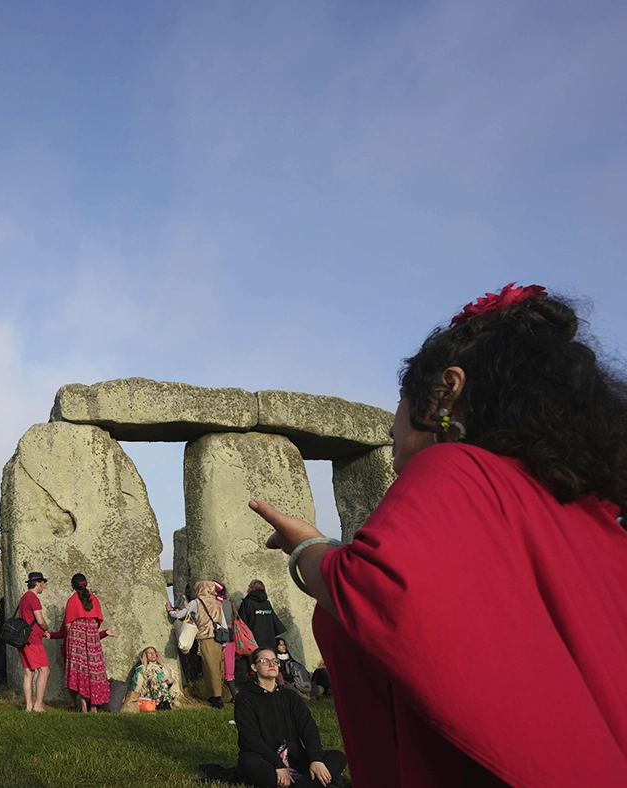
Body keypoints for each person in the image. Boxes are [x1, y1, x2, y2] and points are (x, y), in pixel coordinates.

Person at [253, 284, 627, 785]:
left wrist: (309, 548)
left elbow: (378, 587)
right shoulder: (589, 514)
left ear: (446, 391)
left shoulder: (455, 466)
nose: (390, 427)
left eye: (402, 401)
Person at [235, 648, 347, 788]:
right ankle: (313, 784)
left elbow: (308, 727)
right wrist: (278, 764)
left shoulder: (290, 696)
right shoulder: (245, 698)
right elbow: (250, 738)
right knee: (247, 761)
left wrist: (315, 759)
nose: (272, 664)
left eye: (275, 661)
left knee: (338, 757)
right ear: (254, 667)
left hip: (294, 758)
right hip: (265, 760)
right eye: (265, 661)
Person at [52, 573, 112, 713]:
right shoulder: (94, 599)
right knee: (94, 670)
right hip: (92, 636)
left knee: (80, 670)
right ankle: (94, 706)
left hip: (76, 636)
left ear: (72, 586)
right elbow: (98, 622)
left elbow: (67, 625)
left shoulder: (72, 600)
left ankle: (83, 705)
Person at [170, 580, 228, 708]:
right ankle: (212, 695)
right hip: (218, 638)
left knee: (210, 667)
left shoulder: (196, 602)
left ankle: (217, 698)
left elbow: (180, 614)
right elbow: (223, 623)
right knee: (215, 667)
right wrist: (224, 642)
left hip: (206, 637)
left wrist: (170, 611)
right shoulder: (218, 603)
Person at [17, 571, 52, 712]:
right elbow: (39, 620)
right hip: (33, 639)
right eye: (42, 584)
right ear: (37, 584)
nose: (43, 587)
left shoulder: (24, 598)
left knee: (29, 672)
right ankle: (38, 705)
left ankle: (28, 706)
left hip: (23, 639)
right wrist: (46, 628)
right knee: (44, 670)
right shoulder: (33, 598)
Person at [238, 580, 286, 655]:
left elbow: (241, 623)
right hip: (269, 642)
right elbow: (275, 623)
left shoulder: (247, 603)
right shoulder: (267, 604)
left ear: (250, 588)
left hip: (253, 642)